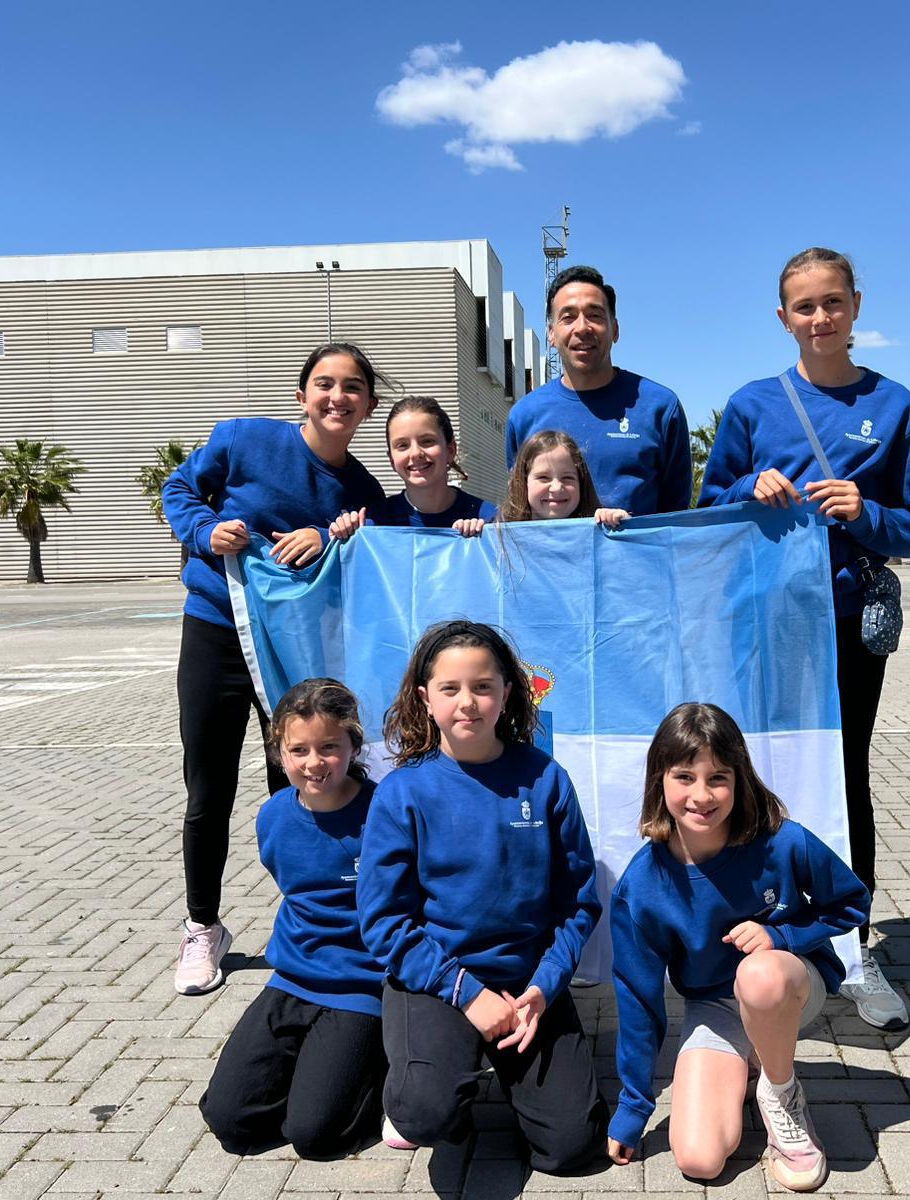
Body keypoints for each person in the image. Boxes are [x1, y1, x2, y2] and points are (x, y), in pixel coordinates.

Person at [699, 248, 910, 1030]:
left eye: (832, 302)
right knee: (757, 777)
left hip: (844, 628)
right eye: (804, 307)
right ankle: (751, 941)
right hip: (764, 625)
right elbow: (708, 508)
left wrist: (866, 512)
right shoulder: (752, 405)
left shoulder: (896, 406)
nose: (820, 318)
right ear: (784, 318)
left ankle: (851, 947)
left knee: (844, 783)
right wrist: (748, 487)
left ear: (856, 306)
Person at [162, 342, 387, 995]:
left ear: (368, 405)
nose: (338, 397)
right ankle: (202, 927)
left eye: (352, 387)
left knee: (297, 785)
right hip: (216, 630)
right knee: (209, 787)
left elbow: (375, 554)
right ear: (302, 396)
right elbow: (179, 488)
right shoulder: (244, 439)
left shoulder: (363, 492)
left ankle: (311, 920)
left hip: (296, 646)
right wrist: (205, 531)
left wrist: (331, 536)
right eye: (325, 384)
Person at [357, 619, 609, 1173]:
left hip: (526, 984)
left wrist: (544, 986)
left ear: (508, 693)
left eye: (483, 686)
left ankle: (496, 1068)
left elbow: (578, 902)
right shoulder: (402, 792)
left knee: (571, 1147)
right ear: (425, 699)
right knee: (425, 1113)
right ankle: (421, 1070)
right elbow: (384, 923)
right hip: (439, 981)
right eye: (450, 688)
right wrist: (468, 995)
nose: (467, 702)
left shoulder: (545, 779)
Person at [607, 702, 868, 1192]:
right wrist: (633, 1108)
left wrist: (781, 937)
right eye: (685, 777)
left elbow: (851, 904)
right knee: (699, 1159)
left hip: (789, 988)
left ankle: (782, 1092)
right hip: (716, 1006)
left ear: (739, 778)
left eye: (718, 779)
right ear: (659, 780)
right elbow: (638, 1000)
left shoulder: (782, 842)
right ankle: (752, 1063)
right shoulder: (641, 886)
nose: (702, 796)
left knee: (759, 974)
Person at [198, 679, 387, 1157]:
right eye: (298, 750)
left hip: (363, 986)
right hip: (293, 979)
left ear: (354, 746)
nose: (313, 763)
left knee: (315, 1135)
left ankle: (380, 1073)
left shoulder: (384, 813)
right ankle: (318, 1072)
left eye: (329, 747)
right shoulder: (274, 816)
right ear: (279, 752)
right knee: (230, 1121)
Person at [506, 265, 691, 515]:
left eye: (595, 315)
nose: (582, 328)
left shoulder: (660, 407)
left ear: (615, 329)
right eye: (568, 317)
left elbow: (677, 515)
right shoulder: (524, 416)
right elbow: (520, 511)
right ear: (551, 334)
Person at [329, 397, 496, 540]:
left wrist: (483, 540)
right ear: (391, 460)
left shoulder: (489, 519)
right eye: (402, 445)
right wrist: (341, 533)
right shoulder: (374, 523)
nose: (416, 453)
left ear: (450, 450)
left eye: (427, 441)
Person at [499, 429, 629, 528]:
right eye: (543, 477)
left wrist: (624, 527)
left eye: (567, 477)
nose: (557, 488)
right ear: (523, 482)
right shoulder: (499, 537)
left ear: (581, 483)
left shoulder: (601, 530)